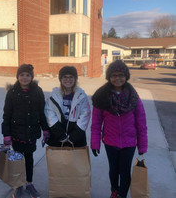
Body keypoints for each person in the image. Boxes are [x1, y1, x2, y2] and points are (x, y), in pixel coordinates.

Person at [90, 60, 148, 198]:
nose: (118, 78)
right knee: (114, 170)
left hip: (129, 142)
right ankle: (114, 191)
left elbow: (141, 122)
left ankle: (122, 194)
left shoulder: (133, 97)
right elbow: (96, 123)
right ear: (109, 77)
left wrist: (142, 145)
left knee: (125, 170)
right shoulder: (102, 96)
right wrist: (95, 143)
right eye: (114, 75)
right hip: (110, 141)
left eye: (121, 75)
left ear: (126, 76)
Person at [2, 64, 49, 198]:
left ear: (31, 77)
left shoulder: (37, 91)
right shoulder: (12, 93)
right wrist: (6, 134)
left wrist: (45, 129)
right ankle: (18, 185)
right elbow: (7, 115)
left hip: (31, 132)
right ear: (17, 76)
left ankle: (29, 183)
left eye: (27, 75)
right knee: (17, 160)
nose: (24, 77)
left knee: (29, 158)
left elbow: (42, 112)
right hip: (16, 132)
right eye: (22, 75)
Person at [44, 66, 91, 147]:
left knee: (75, 159)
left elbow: (85, 115)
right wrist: (60, 134)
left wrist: (74, 136)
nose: (68, 80)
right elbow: (50, 114)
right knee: (58, 159)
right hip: (57, 135)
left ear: (75, 79)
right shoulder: (53, 96)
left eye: (71, 77)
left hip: (76, 136)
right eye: (65, 77)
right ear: (60, 79)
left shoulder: (81, 96)